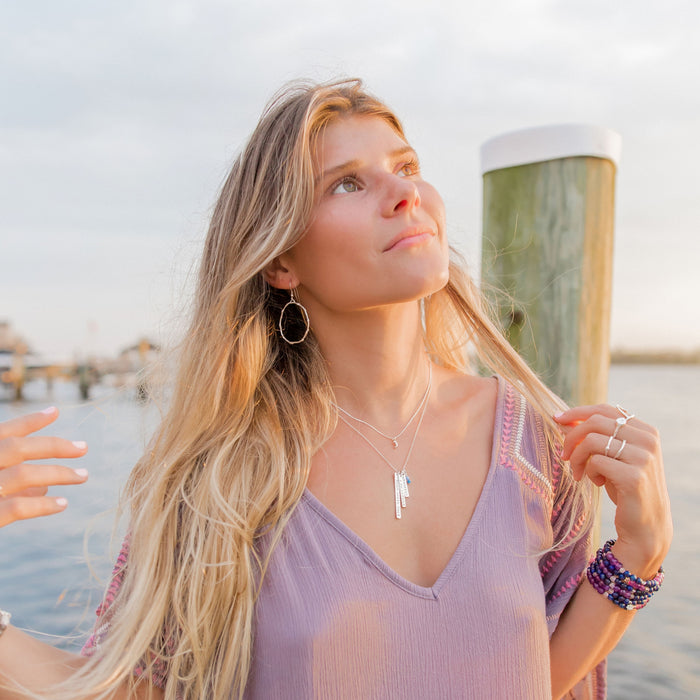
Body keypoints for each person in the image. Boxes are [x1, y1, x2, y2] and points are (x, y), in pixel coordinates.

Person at [0, 79, 672, 700]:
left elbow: (526, 678)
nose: (406, 193)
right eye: (347, 184)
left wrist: (640, 553)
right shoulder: (222, 476)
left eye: (406, 166)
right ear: (281, 260)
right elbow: (122, 691)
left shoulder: (532, 439)